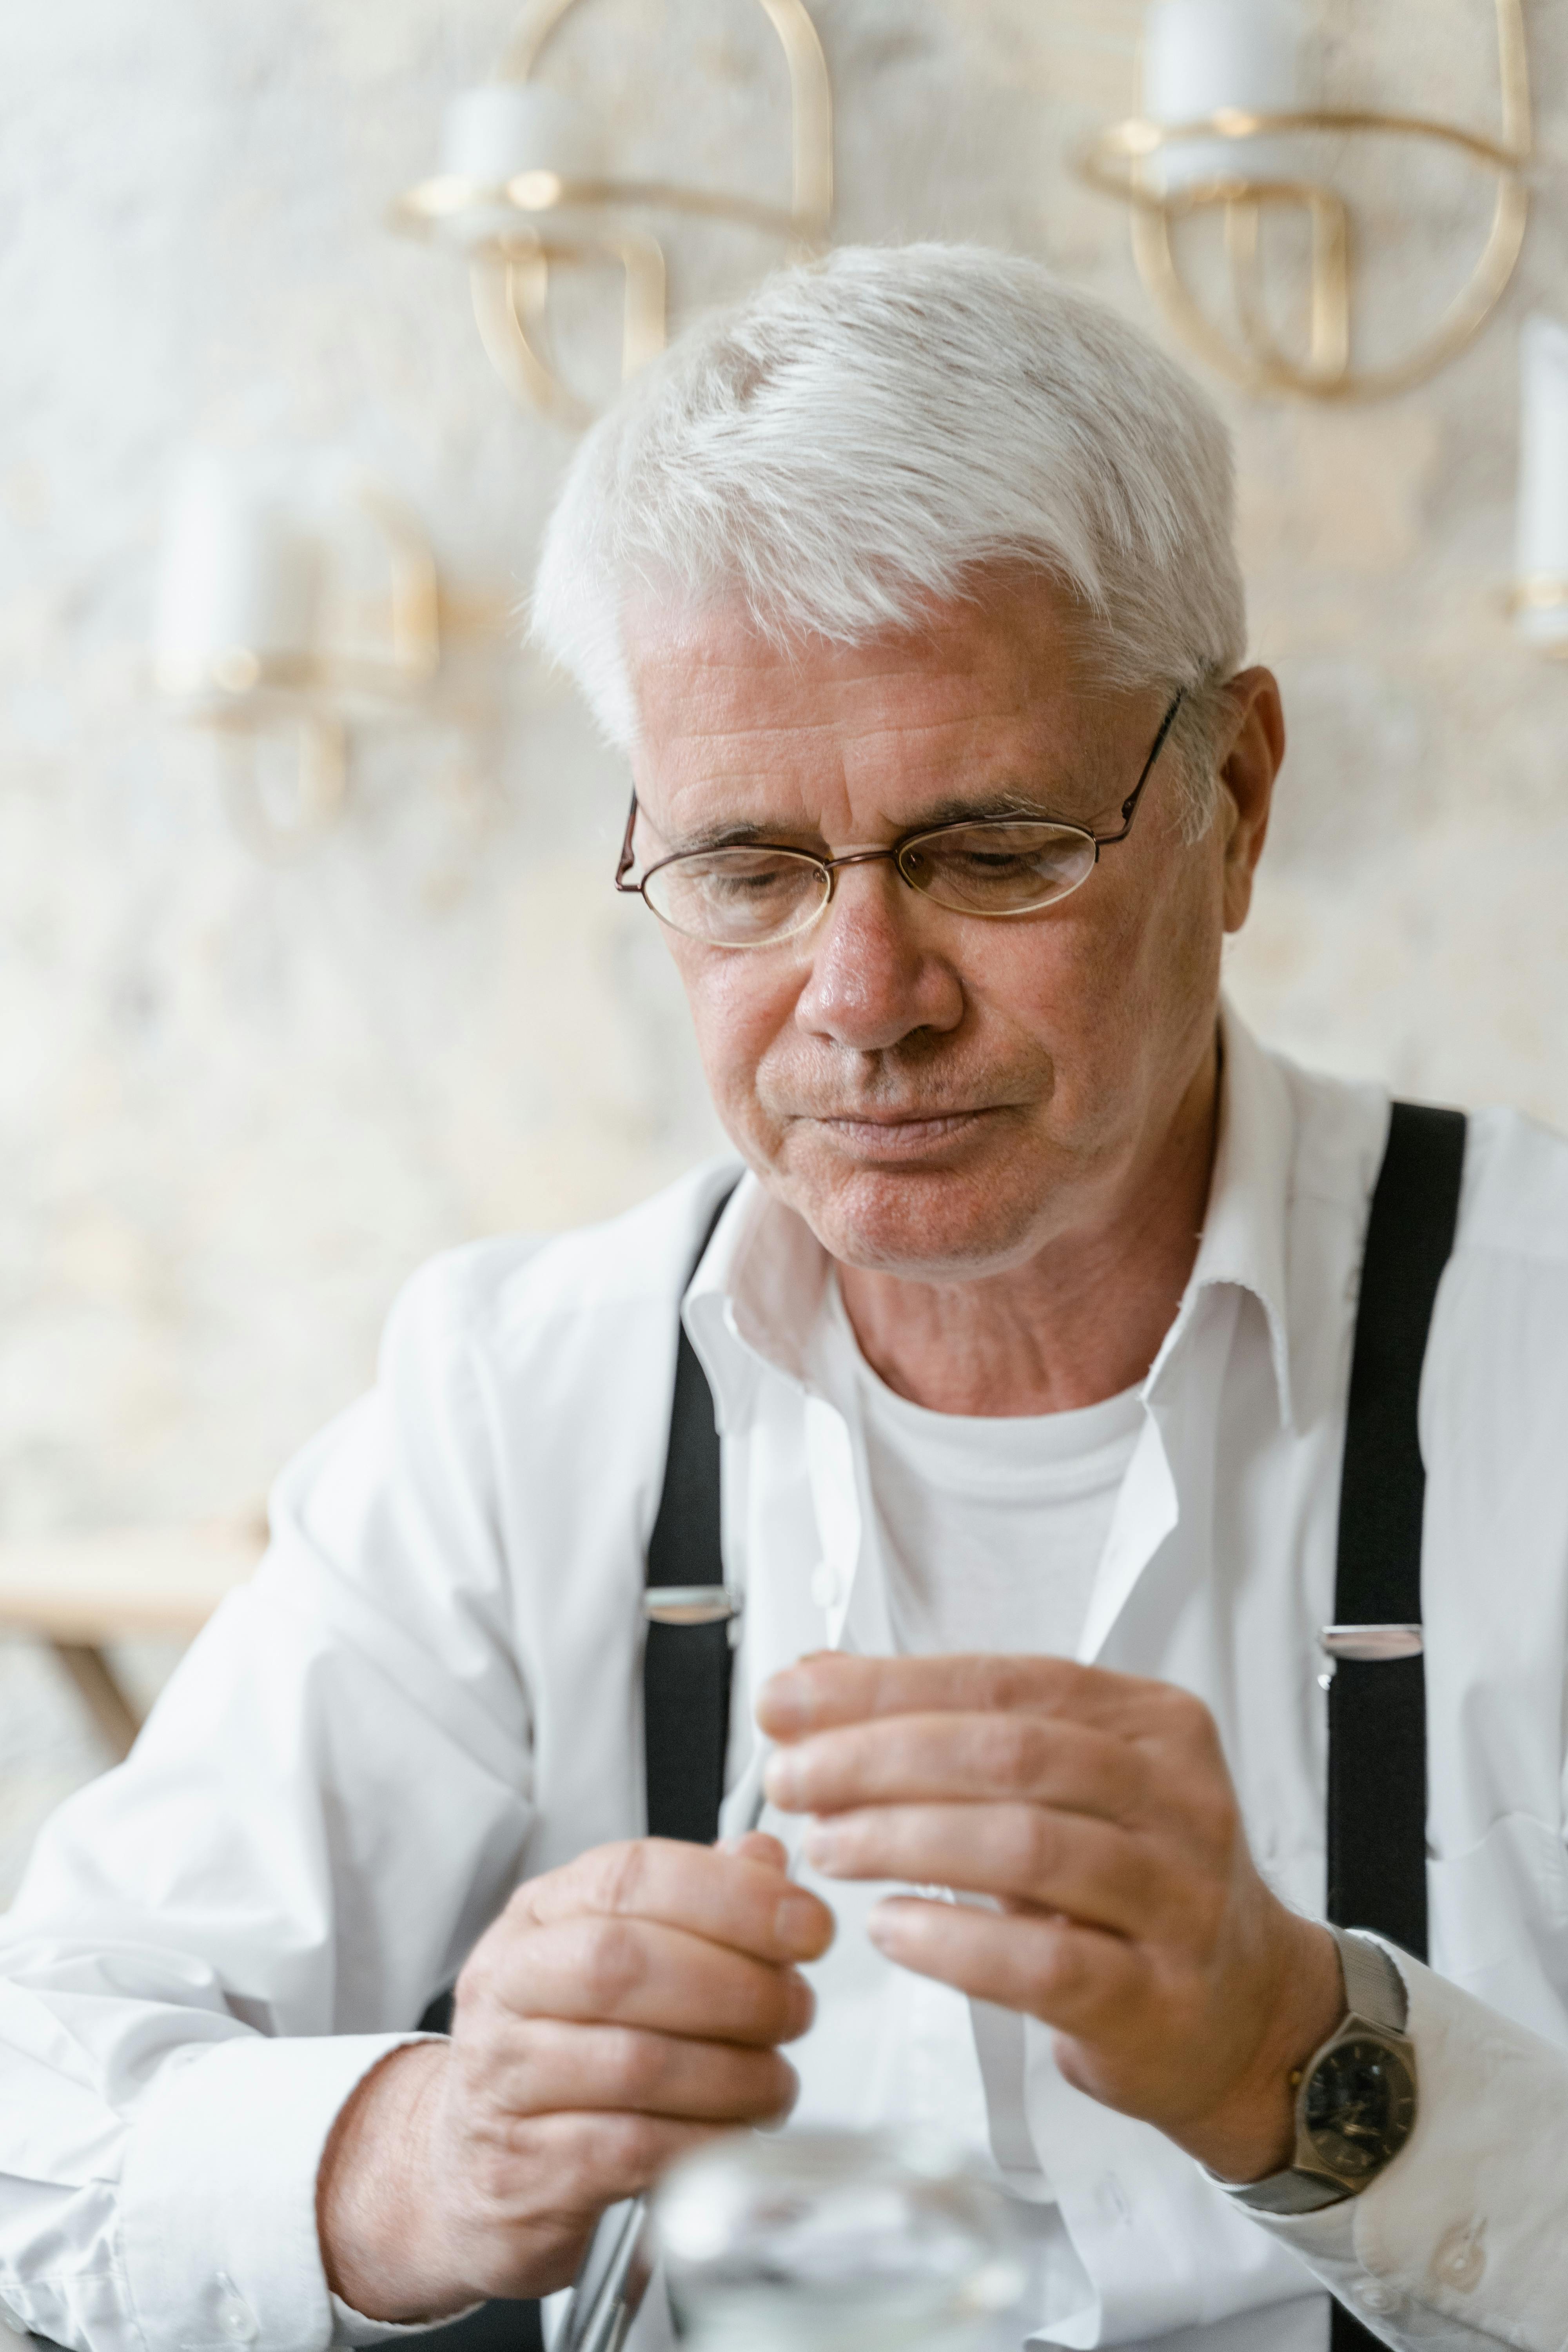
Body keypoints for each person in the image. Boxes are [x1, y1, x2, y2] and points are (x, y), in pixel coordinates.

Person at [3, 245, 1567, 2352]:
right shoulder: (523, 1395)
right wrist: (433, 2152)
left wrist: (1314, 2074)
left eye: (993, 846)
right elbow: (41, 2129)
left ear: (1240, 799)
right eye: (745, 871)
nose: (863, 1007)